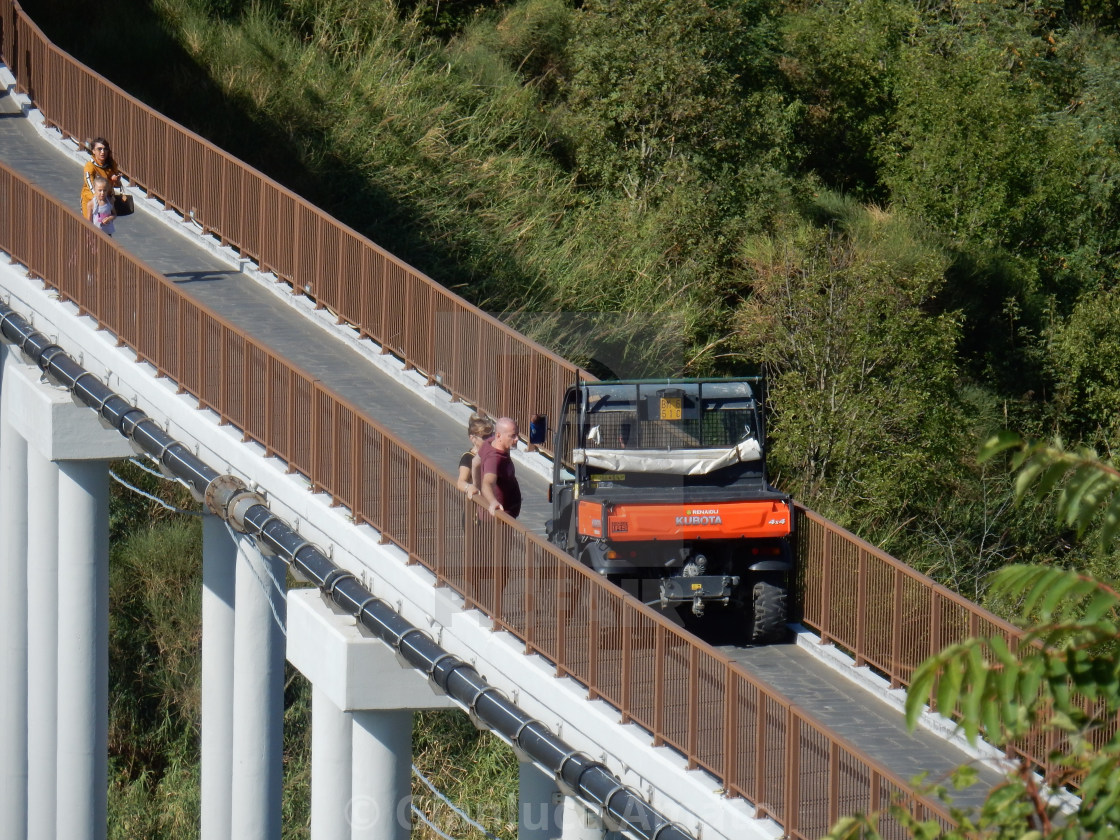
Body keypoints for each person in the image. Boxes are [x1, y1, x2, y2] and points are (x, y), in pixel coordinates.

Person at [478, 417, 521, 518]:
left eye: (517, 434)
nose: (517, 439)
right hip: (496, 520)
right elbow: (487, 484)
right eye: (513, 436)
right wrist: (493, 502)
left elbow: (475, 462)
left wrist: (476, 485)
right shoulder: (494, 459)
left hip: (506, 517)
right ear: (498, 436)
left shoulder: (490, 442)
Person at [80, 137, 121, 216]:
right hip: (90, 199)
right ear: (93, 151)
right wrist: (96, 197)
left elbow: (117, 185)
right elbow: (89, 182)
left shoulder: (111, 164)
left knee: (105, 224)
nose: (102, 152)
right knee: (90, 225)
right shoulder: (90, 166)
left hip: (106, 200)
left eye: (105, 149)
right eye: (99, 149)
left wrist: (116, 180)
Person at [457, 414, 494, 500]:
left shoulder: (491, 455)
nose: (489, 440)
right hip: (475, 508)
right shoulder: (468, 458)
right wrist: (469, 487)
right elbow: (461, 482)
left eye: (491, 436)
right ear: (473, 438)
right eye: (484, 437)